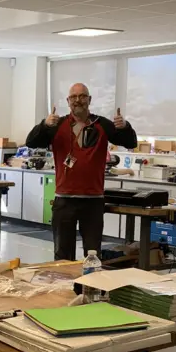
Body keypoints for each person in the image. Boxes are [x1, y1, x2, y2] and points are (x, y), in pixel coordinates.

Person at [26, 83, 138, 261]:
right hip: (64, 200)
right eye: (74, 97)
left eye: (83, 96)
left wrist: (124, 126)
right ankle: (64, 289)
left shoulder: (102, 124)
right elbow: (31, 142)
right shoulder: (57, 124)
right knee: (62, 257)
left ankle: (90, 288)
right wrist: (45, 125)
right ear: (68, 101)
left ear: (90, 99)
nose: (78, 100)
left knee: (93, 256)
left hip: (92, 202)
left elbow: (130, 142)